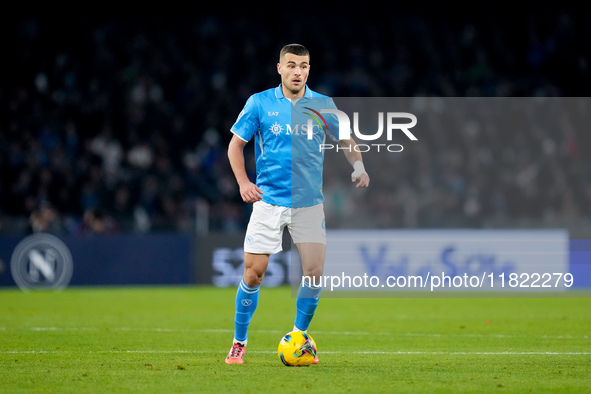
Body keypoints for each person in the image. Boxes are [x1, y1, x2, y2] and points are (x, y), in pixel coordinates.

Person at [225, 43, 370, 364]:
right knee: (253, 274)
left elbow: (347, 140)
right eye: (291, 65)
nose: (298, 71)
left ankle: (298, 337)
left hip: (308, 203)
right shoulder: (259, 103)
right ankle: (239, 341)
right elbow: (235, 147)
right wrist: (244, 183)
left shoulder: (323, 104)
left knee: (315, 272)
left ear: (309, 69)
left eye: (303, 66)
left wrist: (358, 166)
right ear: (279, 68)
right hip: (268, 201)